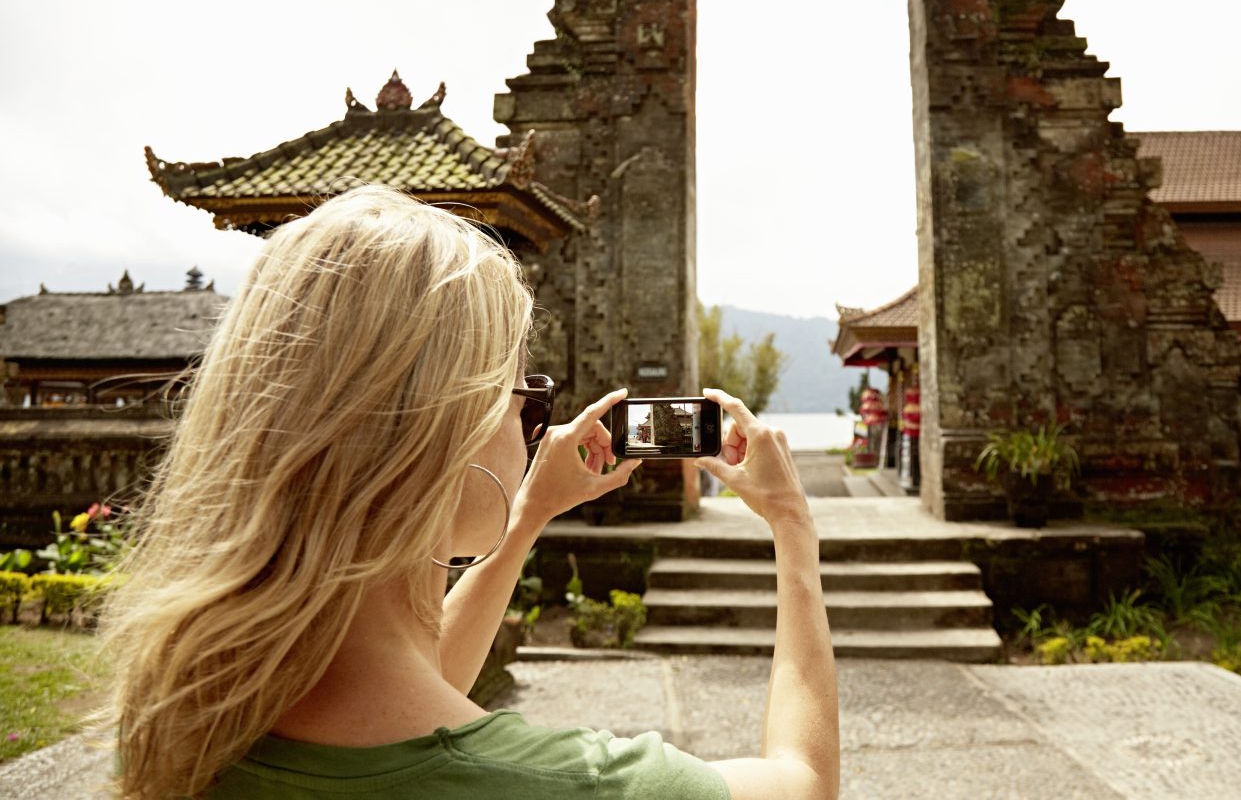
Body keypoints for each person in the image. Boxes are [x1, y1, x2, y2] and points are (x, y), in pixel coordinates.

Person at [99, 185, 839, 800]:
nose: (530, 429)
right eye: (528, 397)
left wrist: (527, 517)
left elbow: (403, 682)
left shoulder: (179, 726)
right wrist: (791, 523)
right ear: (452, 428)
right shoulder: (580, 786)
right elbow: (803, 780)